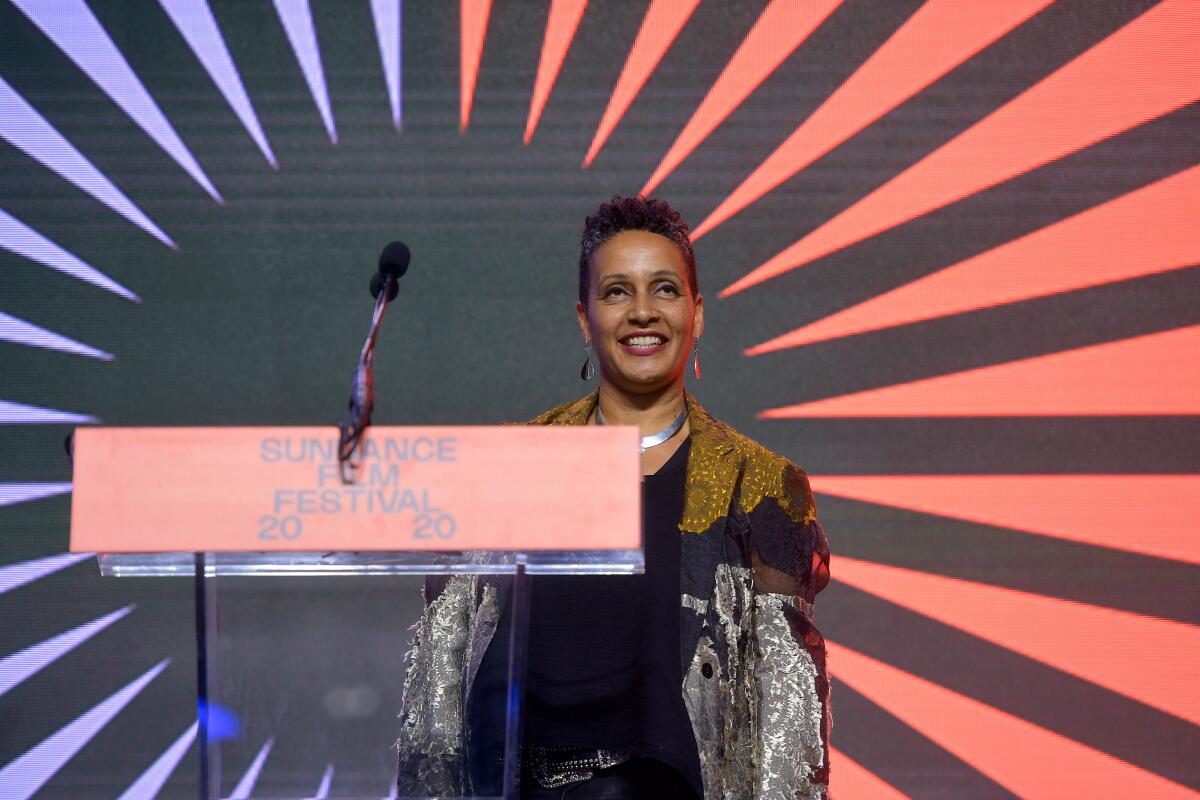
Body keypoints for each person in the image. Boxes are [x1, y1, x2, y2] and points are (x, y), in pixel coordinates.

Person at [395, 196, 831, 799]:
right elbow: (437, 682)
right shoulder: (506, 466)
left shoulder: (757, 484)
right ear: (584, 318)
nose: (643, 313)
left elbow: (788, 721)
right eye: (617, 292)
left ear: (697, 314)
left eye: (665, 290)